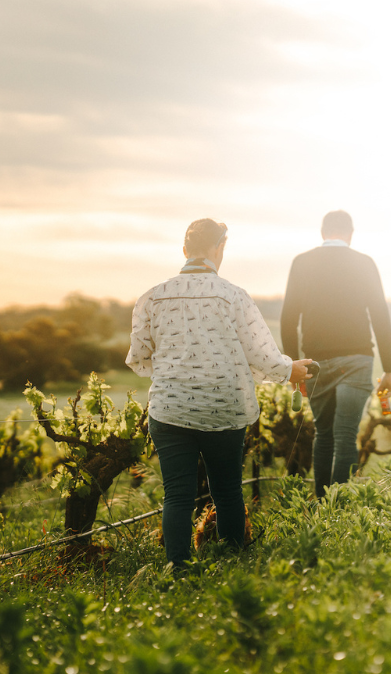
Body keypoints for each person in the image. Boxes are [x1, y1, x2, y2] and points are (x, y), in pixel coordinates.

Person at [127, 218, 312, 569]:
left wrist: (176, 373)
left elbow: (139, 356)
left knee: (177, 496)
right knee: (227, 491)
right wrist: (291, 369)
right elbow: (262, 355)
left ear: (184, 250)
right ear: (220, 248)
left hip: (170, 408)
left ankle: (177, 569)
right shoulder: (234, 296)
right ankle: (231, 565)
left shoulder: (151, 297)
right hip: (224, 408)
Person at [280, 210, 391, 498]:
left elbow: (287, 319)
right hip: (357, 359)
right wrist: (390, 369)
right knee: (345, 435)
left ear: (322, 234)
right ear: (350, 234)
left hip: (315, 362)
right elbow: (381, 316)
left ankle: (322, 506)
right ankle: (338, 510)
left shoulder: (302, 262)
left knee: (325, 435)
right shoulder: (364, 263)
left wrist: (294, 365)